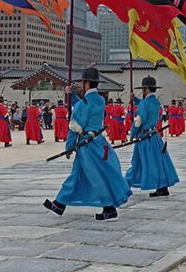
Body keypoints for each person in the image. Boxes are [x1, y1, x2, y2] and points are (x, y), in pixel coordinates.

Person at [43, 67, 132, 220]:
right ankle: (60, 204)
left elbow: (74, 128)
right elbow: (84, 105)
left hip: (87, 146)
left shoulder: (83, 104)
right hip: (99, 142)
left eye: (82, 83)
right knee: (77, 175)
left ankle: (109, 208)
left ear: (86, 83)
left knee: (96, 177)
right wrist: (70, 95)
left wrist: (69, 147)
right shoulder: (100, 100)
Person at [126, 76, 179, 197]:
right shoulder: (156, 102)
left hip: (144, 138)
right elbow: (145, 104)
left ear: (146, 89)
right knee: (158, 162)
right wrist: (135, 100)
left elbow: (138, 121)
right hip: (154, 136)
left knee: (138, 162)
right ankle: (162, 187)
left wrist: (132, 133)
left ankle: (125, 184)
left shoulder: (144, 104)